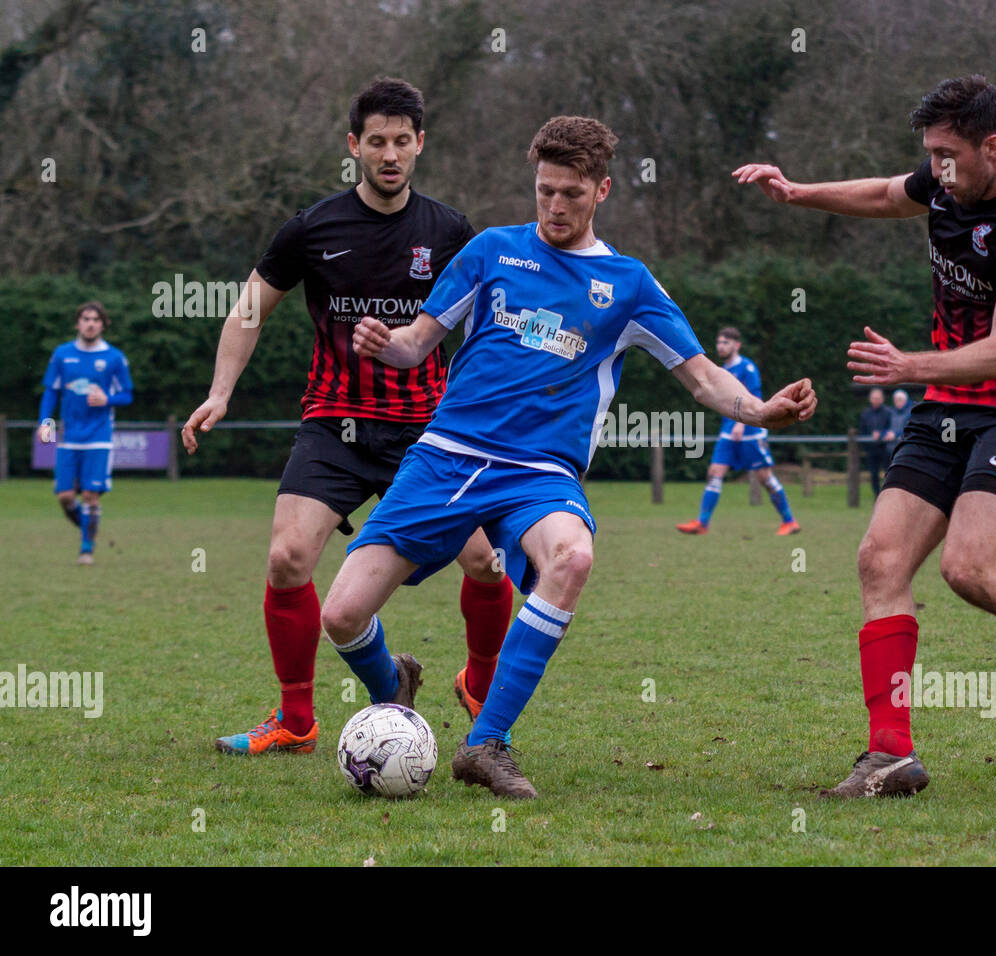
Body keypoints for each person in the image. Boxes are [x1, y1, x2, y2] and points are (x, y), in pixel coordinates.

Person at [319, 115, 817, 798]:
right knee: (342, 615)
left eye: (571, 195)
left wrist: (761, 411)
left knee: (572, 558)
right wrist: (386, 342)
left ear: (602, 190)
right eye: (545, 191)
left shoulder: (629, 284)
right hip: (445, 457)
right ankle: (393, 692)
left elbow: (702, 376)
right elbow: (417, 344)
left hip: (538, 475)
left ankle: (487, 744)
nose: (555, 207)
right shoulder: (492, 251)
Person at [733, 74, 996, 798]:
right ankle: (890, 754)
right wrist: (797, 191)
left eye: (947, 154)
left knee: (968, 569)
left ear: (992, 148)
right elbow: (881, 195)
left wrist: (906, 366)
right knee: (879, 559)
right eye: (930, 155)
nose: (935, 168)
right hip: (945, 402)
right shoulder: (947, 184)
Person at [182, 77, 512, 756]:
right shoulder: (313, 228)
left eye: (402, 141)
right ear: (353, 145)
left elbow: (488, 329)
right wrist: (220, 392)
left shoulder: (450, 231)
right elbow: (250, 308)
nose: (389, 154)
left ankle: (479, 682)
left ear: (420, 144)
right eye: (376, 141)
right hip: (335, 423)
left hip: (430, 429)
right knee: (286, 559)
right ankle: (301, 719)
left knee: (486, 562)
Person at [676, 327, 800, 535]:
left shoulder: (747, 368)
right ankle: (702, 523)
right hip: (728, 431)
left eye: (725, 342)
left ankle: (789, 521)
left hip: (750, 432)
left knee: (765, 478)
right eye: (719, 342)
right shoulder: (721, 371)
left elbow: (754, 399)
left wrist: (741, 424)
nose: (720, 346)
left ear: (737, 345)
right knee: (715, 473)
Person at [37, 301, 133, 566]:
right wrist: (45, 422)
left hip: (99, 436)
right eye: (85, 319)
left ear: (103, 324)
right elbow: (51, 392)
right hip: (69, 436)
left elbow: (127, 395)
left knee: (90, 494)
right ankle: (89, 527)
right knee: (65, 496)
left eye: (95, 319)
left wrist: (108, 399)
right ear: (78, 323)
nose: (90, 323)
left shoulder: (114, 358)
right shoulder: (61, 354)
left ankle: (86, 549)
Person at [857, 387, 892, 496]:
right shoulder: (865, 414)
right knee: (873, 474)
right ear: (870, 399)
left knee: (888, 473)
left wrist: (881, 435)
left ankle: (887, 495)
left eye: (878, 398)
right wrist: (867, 445)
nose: (876, 400)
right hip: (872, 449)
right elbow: (862, 431)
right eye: (874, 398)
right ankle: (877, 496)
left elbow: (891, 428)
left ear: (882, 399)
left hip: (886, 449)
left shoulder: (888, 412)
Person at [886, 388, 913, 456]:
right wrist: (882, 434)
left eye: (899, 400)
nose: (897, 402)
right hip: (892, 448)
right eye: (895, 400)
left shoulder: (911, 412)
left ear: (905, 400)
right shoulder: (891, 412)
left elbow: (910, 429)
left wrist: (895, 434)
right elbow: (887, 427)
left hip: (906, 448)